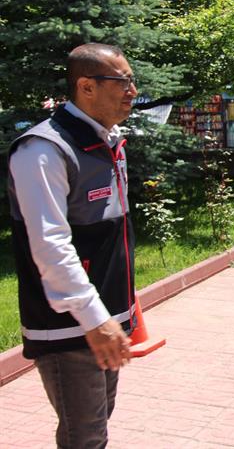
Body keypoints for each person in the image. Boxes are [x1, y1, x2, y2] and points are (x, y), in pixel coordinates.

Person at [7, 43, 138, 448]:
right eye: (123, 81)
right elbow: (50, 244)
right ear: (86, 86)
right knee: (85, 436)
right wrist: (95, 319)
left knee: (98, 424)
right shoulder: (43, 150)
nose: (133, 91)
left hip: (105, 317)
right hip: (70, 325)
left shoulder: (106, 140)